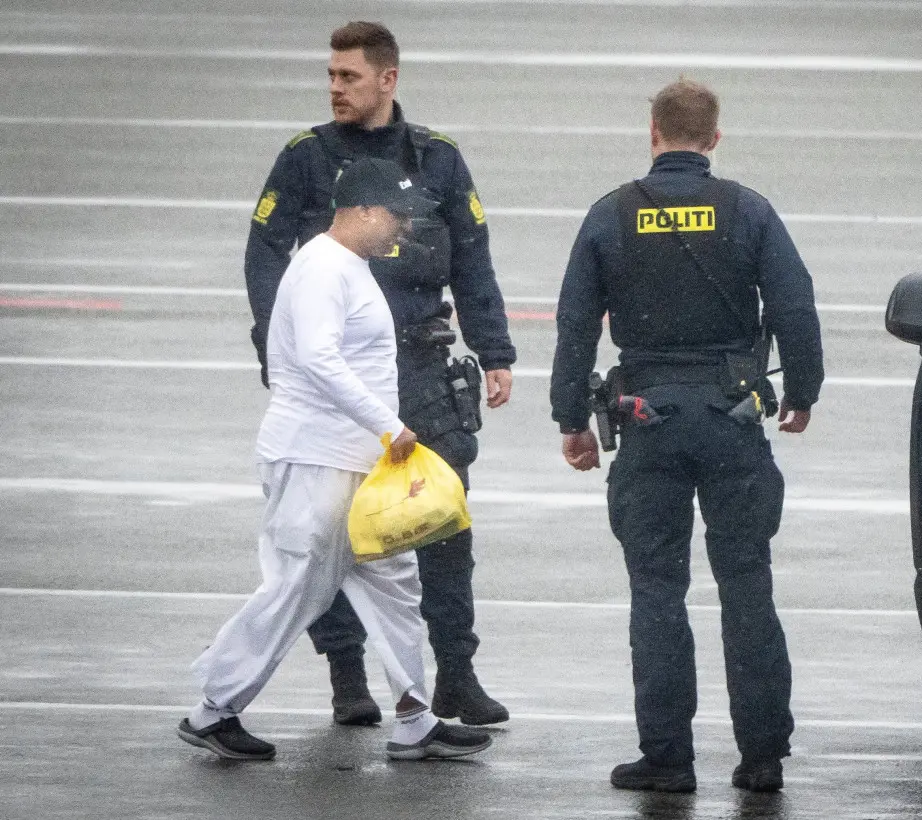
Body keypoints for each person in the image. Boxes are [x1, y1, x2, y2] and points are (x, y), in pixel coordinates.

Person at [549, 79, 825, 793]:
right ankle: (761, 757)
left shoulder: (610, 215)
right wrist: (801, 393)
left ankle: (667, 757)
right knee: (746, 584)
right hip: (732, 421)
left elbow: (576, 323)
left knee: (657, 591)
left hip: (648, 424)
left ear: (653, 135)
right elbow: (796, 305)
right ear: (713, 138)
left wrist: (570, 419)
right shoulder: (748, 210)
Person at [243, 21, 515, 727]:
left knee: (441, 522)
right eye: (331, 76)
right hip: (342, 381)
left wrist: (497, 353)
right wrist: (284, 353)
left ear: (387, 79)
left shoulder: (439, 159)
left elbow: (473, 260)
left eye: (349, 77)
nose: (335, 88)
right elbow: (265, 254)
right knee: (336, 532)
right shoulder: (305, 158)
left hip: (423, 369)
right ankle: (347, 677)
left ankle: (455, 673)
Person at [178, 157, 492, 762]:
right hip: (316, 460)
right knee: (299, 585)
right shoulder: (323, 267)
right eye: (397, 215)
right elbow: (320, 360)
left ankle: (414, 717)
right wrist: (390, 427)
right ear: (364, 210)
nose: (405, 228)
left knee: (394, 582)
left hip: (353, 464)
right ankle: (214, 707)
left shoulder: (348, 266)